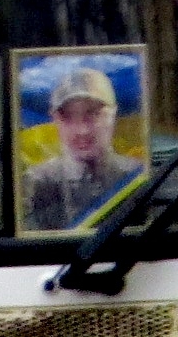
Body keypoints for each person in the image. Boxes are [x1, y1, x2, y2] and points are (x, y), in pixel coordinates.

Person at [22, 66, 145, 231]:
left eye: (94, 114)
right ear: (54, 119)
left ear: (114, 114)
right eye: (67, 117)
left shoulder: (139, 175)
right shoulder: (34, 183)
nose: (82, 130)